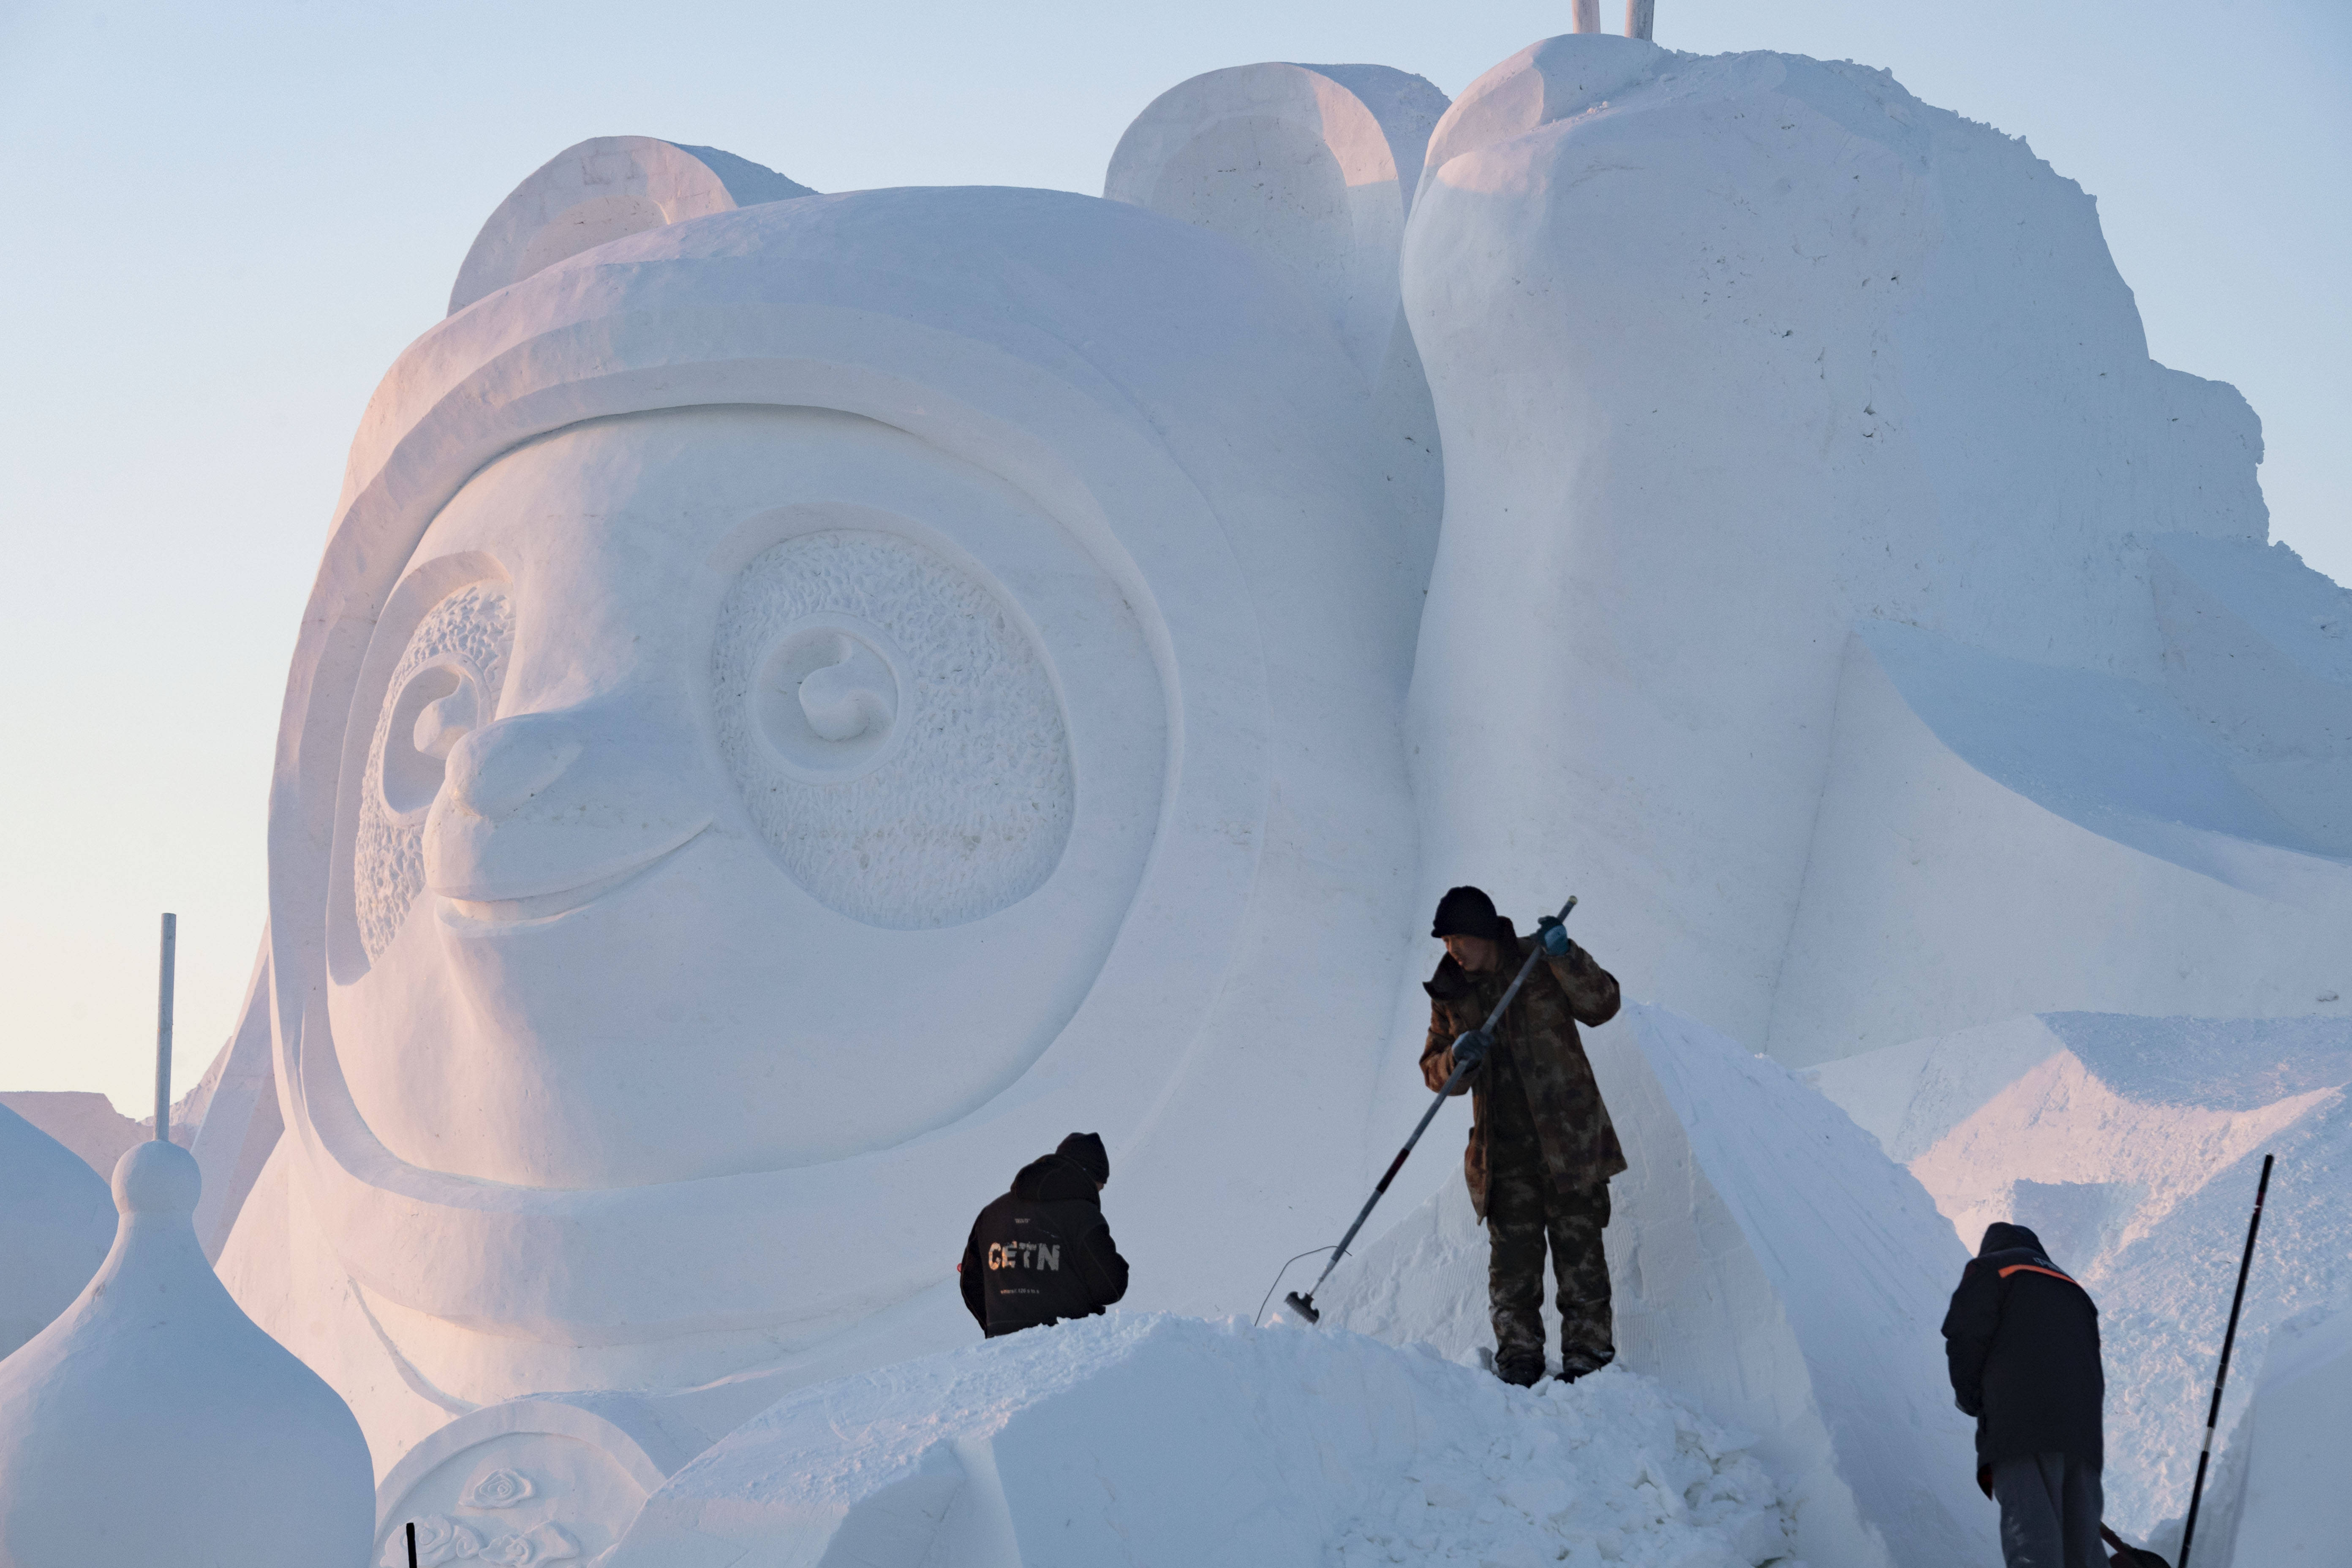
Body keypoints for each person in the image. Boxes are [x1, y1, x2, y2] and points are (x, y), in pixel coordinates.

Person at [1419, 885, 1625, 1386]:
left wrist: (1567, 956)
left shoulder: (1539, 960)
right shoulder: (1449, 992)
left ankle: (1590, 1363)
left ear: (1488, 934)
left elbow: (1603, 1004)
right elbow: (1434, 1070)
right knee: (1513, 1277)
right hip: (1503, 1157)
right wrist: (1457, 1058)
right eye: (1447, 941)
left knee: (1583, 1267)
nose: (1453, 950)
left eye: (1461, 939)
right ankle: (1519, 1364)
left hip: (1570, 1145)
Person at [1940, 1222, 2106, 1568]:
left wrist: (1970, 1399)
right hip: (2083, 1437)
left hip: (2020, 1426)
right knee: (2084, 1549)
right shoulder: (2076, 1290)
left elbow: (1966, 1337)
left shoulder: (1992, 1269)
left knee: (2034, 1540)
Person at [959, 1132, 1130, 1338]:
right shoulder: (1082, 1216)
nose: (1099, 1192)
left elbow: (971, 1282)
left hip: (1002, 1348)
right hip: (1067, 1346)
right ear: (1089, 1176)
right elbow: (1109, 1288)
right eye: (1099, 1186)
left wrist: (1000, 1324)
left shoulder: (992, 1214)